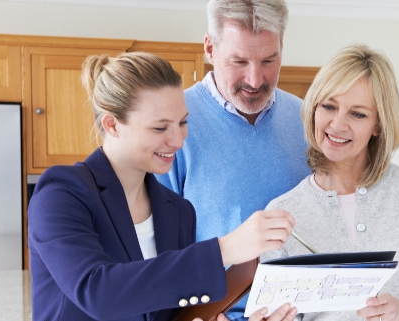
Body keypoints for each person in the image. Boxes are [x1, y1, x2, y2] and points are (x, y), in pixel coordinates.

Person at [156, 2, 399, 318]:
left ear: (282, 47)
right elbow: (149, 264)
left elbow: (357, 180)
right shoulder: (173, 126)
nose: (255, 79)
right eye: (239, 61)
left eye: (269, 60)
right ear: (209, 48)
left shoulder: (308, 120)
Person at [28, 51, 298, 321]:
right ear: (112, 124)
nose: (178, 141)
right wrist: (224, 249)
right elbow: (98, 293)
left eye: (182, 123)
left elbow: (170, 311)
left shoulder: (177, 210)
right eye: (160, 128)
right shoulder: (63, 193)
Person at [261, 44, 399, 321]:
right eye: (329, 106)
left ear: (378, 125)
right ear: (314, 108)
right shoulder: (281, 216)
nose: (337, 125)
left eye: (357, 113)